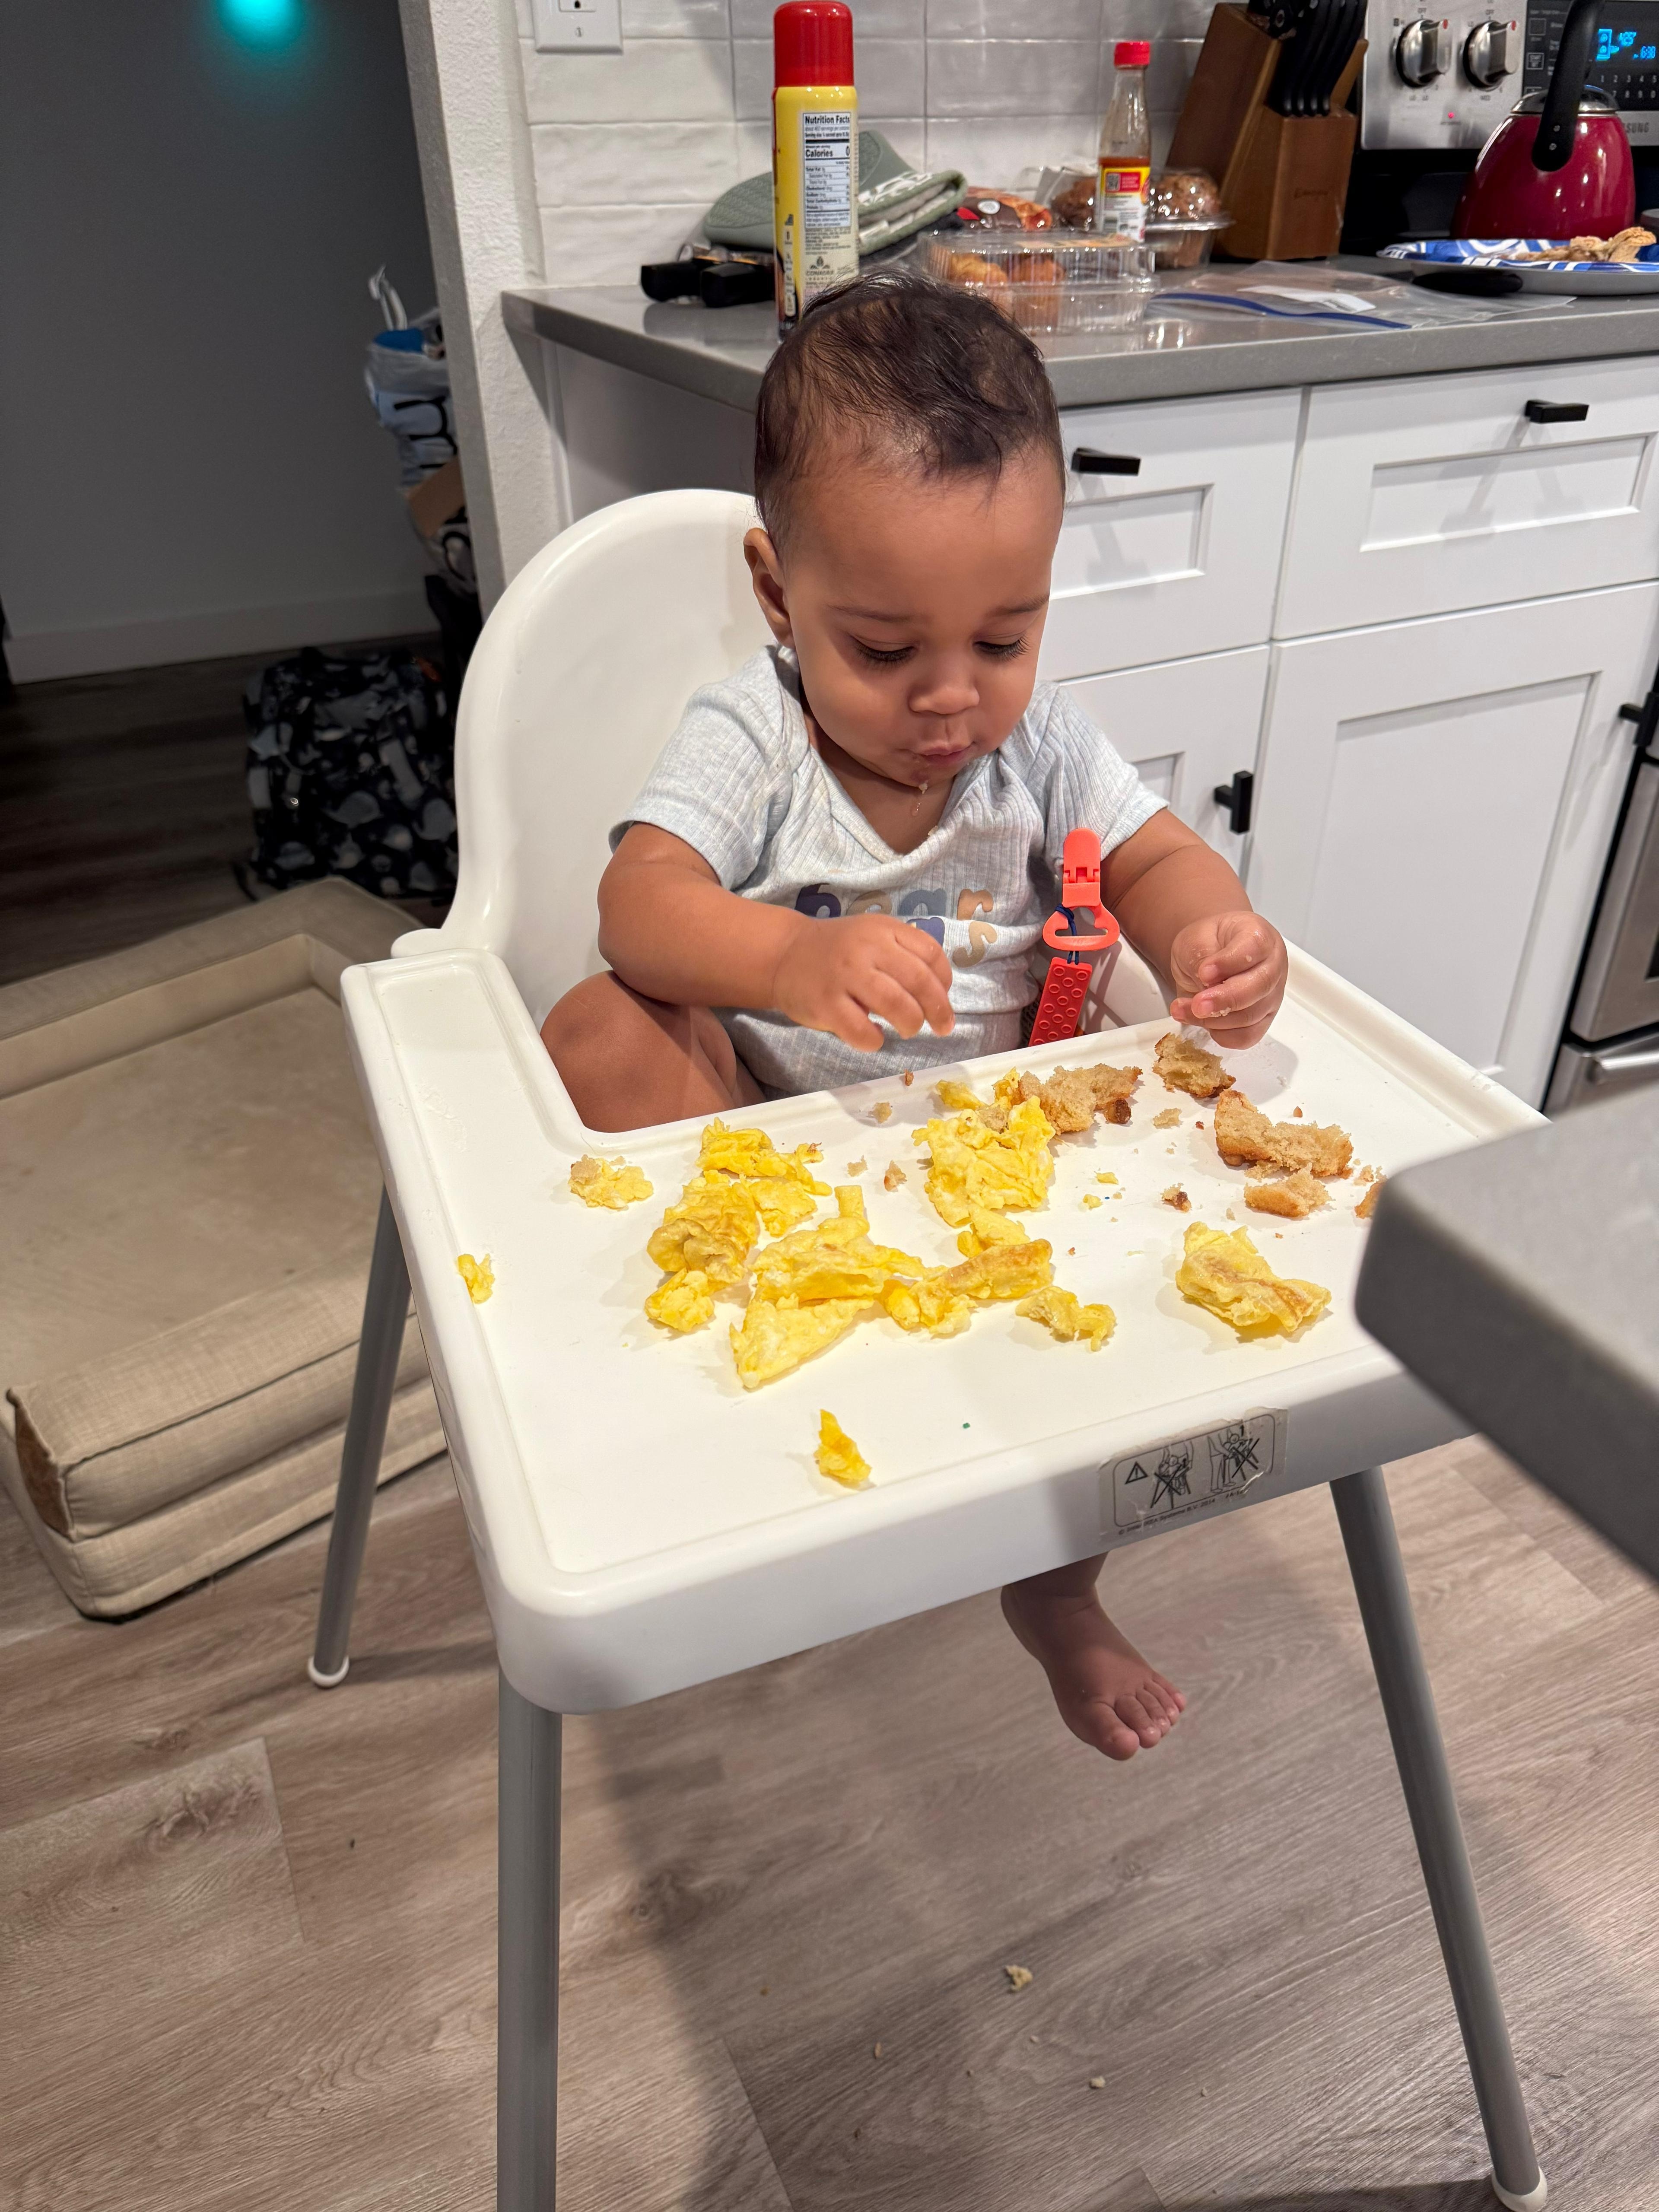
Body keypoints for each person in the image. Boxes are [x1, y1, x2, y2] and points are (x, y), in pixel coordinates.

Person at [542, 273, 1288, 1762]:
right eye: (885, 653)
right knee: (596, 1028)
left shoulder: (1043, 746)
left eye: (1002, 642)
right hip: (782, 1156)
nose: (951, 700)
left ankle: (1057, 1592)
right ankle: (720, 1431)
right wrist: (784, 960)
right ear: (778, 595)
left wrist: (1216, 929)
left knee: (1108, 1362)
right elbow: (638, 903)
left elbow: (1152, 859)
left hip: (1003, 1172)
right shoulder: (756, 736)